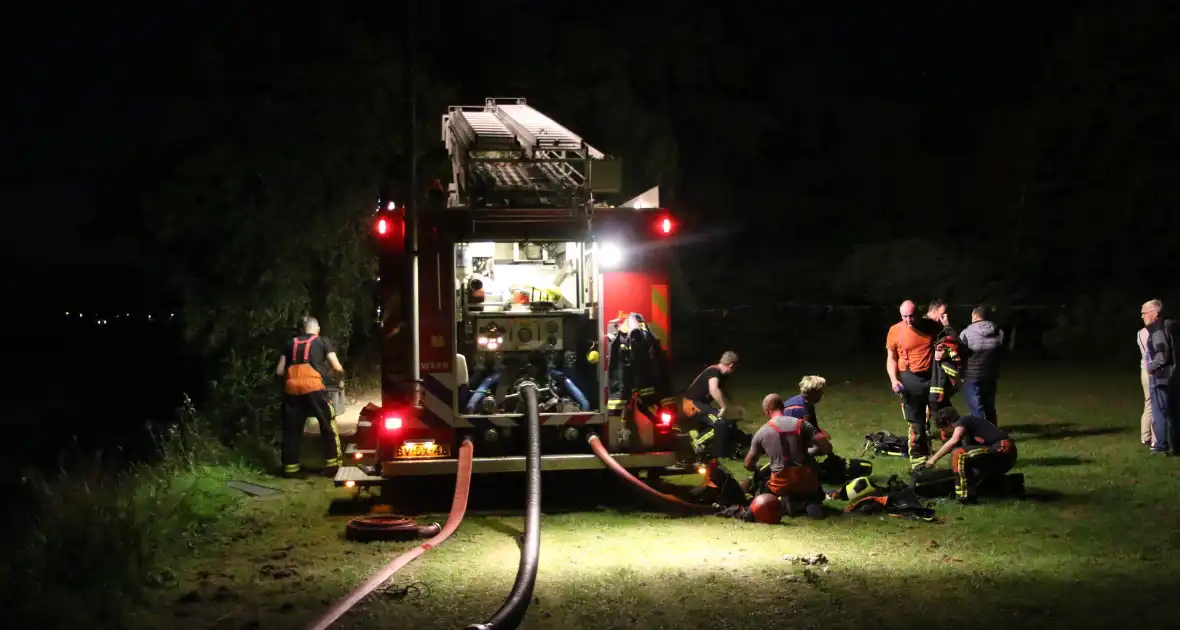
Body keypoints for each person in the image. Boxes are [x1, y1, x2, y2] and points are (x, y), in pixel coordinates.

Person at [274, 317, 346, 477]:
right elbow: (337, 367)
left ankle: (290, 468)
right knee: (327, 423)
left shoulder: (289, 344)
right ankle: (332, 464)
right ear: (317, 328)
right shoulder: (322, 342)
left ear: (301, 329)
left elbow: (279, 371)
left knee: (292, 429)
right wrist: (339, 381)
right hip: (314, 388)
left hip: (291, 389)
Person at [743, 393, 832, 518]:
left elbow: (748, 464)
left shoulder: (762, 432)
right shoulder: (803, 425)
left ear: (767, 410)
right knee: (810, 480)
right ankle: (808, 503)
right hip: (807, 481)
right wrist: (810, 452)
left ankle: (785, 503)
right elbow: (827, 447)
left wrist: (758, 469)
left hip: (781, 483)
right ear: (783, 407)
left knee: (764, 480)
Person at [885, 300, 945, 468]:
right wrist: (894, 379)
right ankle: (918, 461)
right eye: (904, 316)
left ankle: (953, 454)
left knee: (944, 416)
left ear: (918, 313)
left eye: (911, 316)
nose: (908, 320)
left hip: (932, 378)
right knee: (916, 421)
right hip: (910, 378)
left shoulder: (931, 327)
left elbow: (948, 343)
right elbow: (891, 358)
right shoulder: (895, 331)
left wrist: (943, 353)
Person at [922, 407, 1017, 503]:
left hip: (1003, 449)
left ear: (948, 422)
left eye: (943, 429)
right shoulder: (969, 434)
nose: (944, 433)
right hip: (997, 456)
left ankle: (964, 496)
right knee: (964, 462)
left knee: (959, 454)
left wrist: (932, 459)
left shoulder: (964, 420)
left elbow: (953, 441)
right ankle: (972, 493)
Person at [681, 351, 739, 459]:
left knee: (727, 420)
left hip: (701, 404)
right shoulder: (713, 371)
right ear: (731, 365)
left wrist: (733, 407)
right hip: (692, 404)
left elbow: (722, 392)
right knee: (719, 422)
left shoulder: (721, 375)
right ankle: (703, 446)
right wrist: (724, 407)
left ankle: (725, 446)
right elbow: (714, 389)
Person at [959, 305, 1005, 425]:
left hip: (972, 376)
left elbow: (959, 353)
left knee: (976, 409)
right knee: (989, 407)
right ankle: (994, 433)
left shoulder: (966, 333)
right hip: (990, 375)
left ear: (974, 315)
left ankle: (981, 435)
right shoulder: (998, 332)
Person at [1143, 299, 1177, 456]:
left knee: (1159, 413)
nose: (1142, 316)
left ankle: (1160, 447)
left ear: (1155, 313)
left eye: (1144, 313)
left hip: (1162, 378)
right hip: (1172, 377)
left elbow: (1162, 356)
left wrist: (1150, 368)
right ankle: (1175, 446)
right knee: (1173, 413)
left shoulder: (1157, 331)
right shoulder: (1170, 327)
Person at [1137, 325, 1155, 447]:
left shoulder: (1140, 332)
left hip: (1144, 369)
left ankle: (1145, 436)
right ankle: (1155, 438)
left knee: (1148, 402)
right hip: (1153, 369)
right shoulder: (1155, 332)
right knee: (1156, 405)